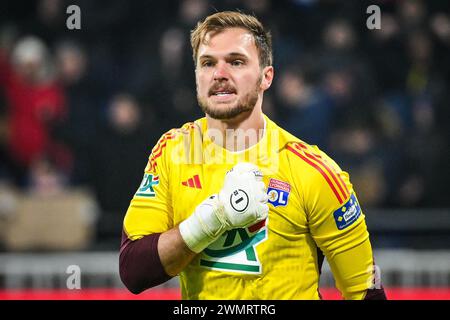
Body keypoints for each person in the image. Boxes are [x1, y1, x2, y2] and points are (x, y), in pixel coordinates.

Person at [119, 11, 386, 300]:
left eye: (236, 62)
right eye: (207, 63)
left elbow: (365, 292)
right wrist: (211, 220)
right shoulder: (172, 151)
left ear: (265, 77)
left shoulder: (313, 170)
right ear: (197, 76)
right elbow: (133, 270)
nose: (220, 74)